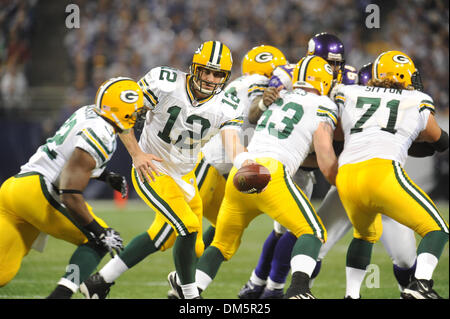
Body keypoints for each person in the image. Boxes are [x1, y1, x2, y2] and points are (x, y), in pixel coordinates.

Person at [80, 41, 246, 300]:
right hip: (154, 170)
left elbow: (232, 141)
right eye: (206, 71)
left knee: (188, 243)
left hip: (186, 174)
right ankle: (190, 297)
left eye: (218, 74)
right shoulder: (165, 82)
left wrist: (245, 164)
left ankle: (99, 282)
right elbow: (122, 113)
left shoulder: (227, 103)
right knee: (189, 227)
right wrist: (137, 154)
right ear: (194, 68)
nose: (211, 78)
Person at [168, 55, 338, 299]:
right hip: (271, 174)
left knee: (221, 245)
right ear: (324, 81)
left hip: (242, 169)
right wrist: (343, 182)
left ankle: (189, 289)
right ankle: (299, 290)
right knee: (313, 232)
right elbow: (325, 157)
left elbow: (253, 114)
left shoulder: (280, 97)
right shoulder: (324, 105)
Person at [0, 77, 146, 299]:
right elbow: (69, 194)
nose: (138, 115)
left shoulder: (88, 112)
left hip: (14, 187)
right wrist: (100, 231)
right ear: (123, 110)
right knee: (99, 241)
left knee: (2, 273)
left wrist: (105, 175)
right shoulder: (103, 133)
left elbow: (68, 158)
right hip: (37, 192)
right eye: (136, 110)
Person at [334, 50, 449, 299]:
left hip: (347, 176)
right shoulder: (416, 99)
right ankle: (420, 285)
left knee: (364, 236)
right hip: (381, 172)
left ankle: (351, 295)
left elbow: (335, 132)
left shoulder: (350, 92)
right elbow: (440, 140)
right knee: (437, 229)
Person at [192, 44, 287, 250]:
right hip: (209, 164)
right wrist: (264, 104)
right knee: (172, 232)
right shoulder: (260, 83)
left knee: (228, 232)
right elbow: (255, 112)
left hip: (216, 166)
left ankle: (192, 277)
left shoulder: (240, 83)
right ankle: (110, 272)